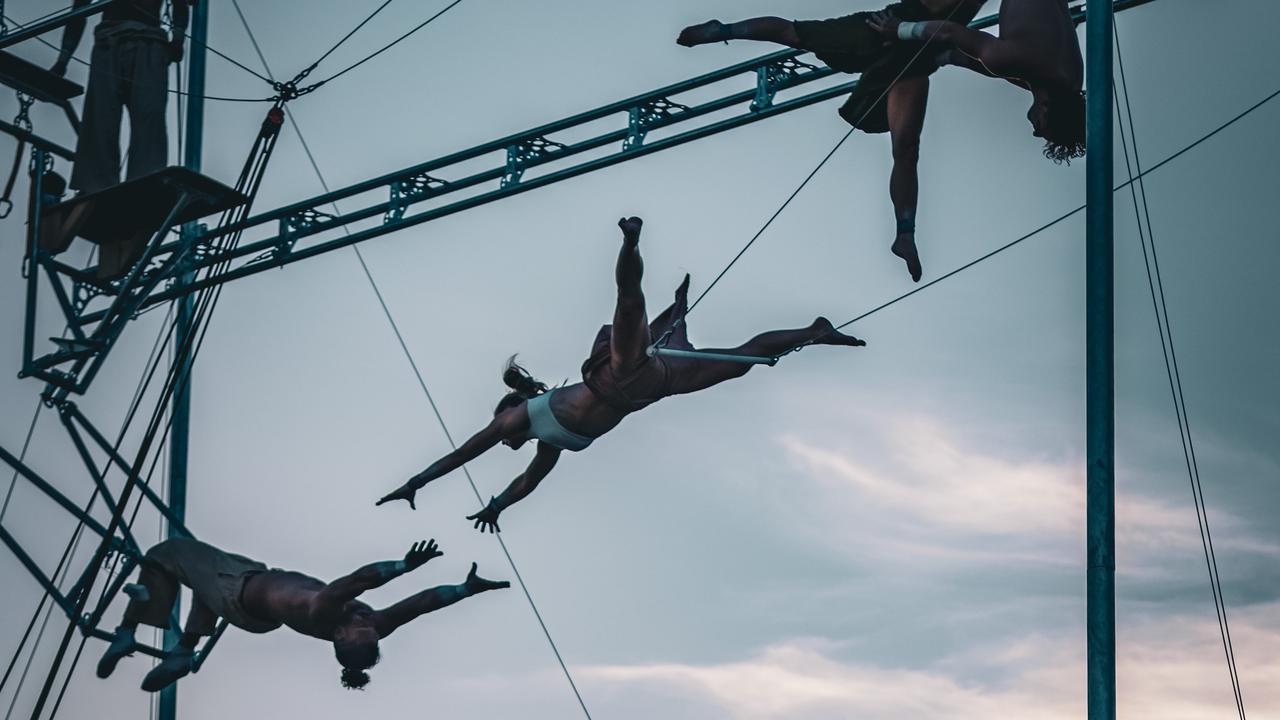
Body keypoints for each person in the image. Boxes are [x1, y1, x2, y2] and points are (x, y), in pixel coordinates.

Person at [377, 217, 867, 531]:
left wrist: (418, 481)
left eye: (501, 432)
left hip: (619, 371)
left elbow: (464, 452)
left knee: (629, 304)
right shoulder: (550, 445)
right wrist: (498, 507)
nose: (503, 443)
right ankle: (813, 330)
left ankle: (630, 238)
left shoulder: (519, 418)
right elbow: (530, 482)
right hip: (654, 386)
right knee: (745, 361)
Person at [677, 1, 989, 282]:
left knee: (906, 152)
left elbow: (990, 58)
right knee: (793, 33)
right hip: (896, 25)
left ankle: (905, 232)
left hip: (922, 53)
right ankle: (724, 30)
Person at [95, 537, 509, 692]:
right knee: (202, 590)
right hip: (249, 583)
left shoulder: (324, 612)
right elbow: (420, 605)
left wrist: (402, 566)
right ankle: (184, 650)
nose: (366, 622)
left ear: (340, 640)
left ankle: (127, 631)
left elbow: (358, 580)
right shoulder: (371, 627)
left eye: (360, 630)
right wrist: (465, 590)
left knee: (165, 555)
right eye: (371, 629)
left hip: (236, 590)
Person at [868, 0, 1086, 163]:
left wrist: (941, 58)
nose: (1035, 132)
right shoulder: (1015, 61)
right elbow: (950, 33)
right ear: (1048, 109)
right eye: (1041, 127)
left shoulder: (1069, 77)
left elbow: (991, 68)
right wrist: (898, 29)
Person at [51, 0, 195, 194]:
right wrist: (62, 60)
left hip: (148, 41)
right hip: (109, 41)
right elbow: (79, 10)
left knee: (149, 118)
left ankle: (145, 185)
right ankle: (96, 187)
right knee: (100, 119)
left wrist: (178, 38)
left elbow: (181, 4)